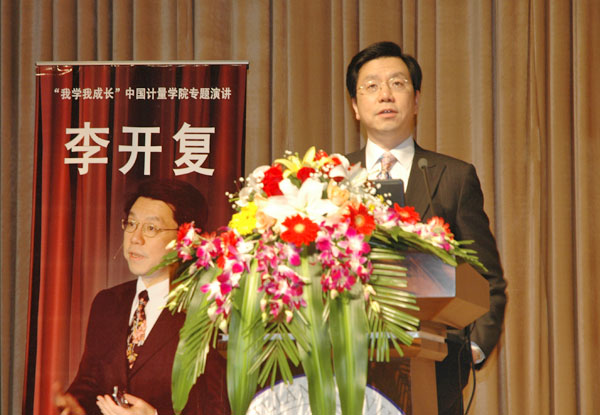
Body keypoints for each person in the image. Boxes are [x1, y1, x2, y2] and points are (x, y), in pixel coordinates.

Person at [345, 41, 507, 415]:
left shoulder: (453, 177)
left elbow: (487, 279)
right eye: (371, 86)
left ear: (416, 100)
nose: (385, 95)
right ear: (355, 105)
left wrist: (472, 349)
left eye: (397, 83)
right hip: (347, 365)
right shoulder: (332, 177)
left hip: (435, 370)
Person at [55, 179, 229, 415]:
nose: (135, 238)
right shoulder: (107, 303)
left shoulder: (211, 310)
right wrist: (71, 407)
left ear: (186, 239)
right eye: (131, 224)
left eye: (151, 228)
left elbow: (223, 408)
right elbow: (88, 384)